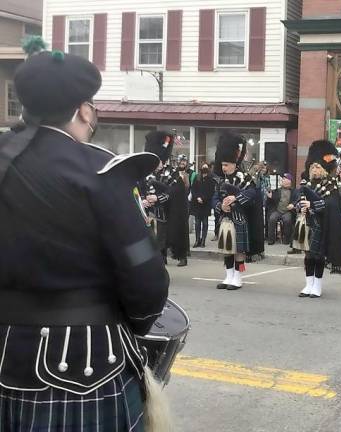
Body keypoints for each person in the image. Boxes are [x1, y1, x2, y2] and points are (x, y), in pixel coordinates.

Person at [0, 46, 168, 430]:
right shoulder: (100, 171)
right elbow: (147, 282)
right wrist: (138, 323)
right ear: (84, 111)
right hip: (82, 366)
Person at [296, 139, 341, 294]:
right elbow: (297, 200)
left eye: (317, 167)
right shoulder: (307, 185)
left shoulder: (331, 185)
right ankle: (308, 284)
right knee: (308, 256)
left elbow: (332, 204)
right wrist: (300, 207)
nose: (314, 170)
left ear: (324, 169)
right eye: (312, 167)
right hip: (307, 224)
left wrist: (313, 206)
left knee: (318, 257)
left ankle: (317, 286)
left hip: (322, 225)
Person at [212, 132, 259, 290]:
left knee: (239, 251)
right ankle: (228, 276)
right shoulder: (220, 181)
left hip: (239, 219)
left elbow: (252, 194)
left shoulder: (245, 179)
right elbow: (214, 198)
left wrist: (236, 199)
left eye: (226, 165)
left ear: (234, 164)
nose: (223, 167)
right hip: (225, 219)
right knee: (227, 250)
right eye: (222, 165)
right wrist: (220, 206)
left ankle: (237, 278)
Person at [143, 131, 189, 267]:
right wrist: (144, 200)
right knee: (155, 239)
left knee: (169, 237)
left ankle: (180, 255)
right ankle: (159, 260)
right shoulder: (144, 173)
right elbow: (138, 190)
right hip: (150, 213)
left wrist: (157, 198)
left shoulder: (173, 174)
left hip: (169, 212)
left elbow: (174, 192)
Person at [190, 163, 216, 248]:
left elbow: (211, 192)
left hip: (206, 204)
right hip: (197, 203)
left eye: (206, 167)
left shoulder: (211, 179)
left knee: (205, 222)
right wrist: (197, 197)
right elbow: (193, 189)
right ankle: (197, 240)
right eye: (203, 167)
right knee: (197, 223)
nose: (204, 168)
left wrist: (203, 199)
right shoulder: (197, 177)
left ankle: (203, 241)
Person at [266, 173, 295, 245]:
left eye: (284, 179)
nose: (282, 180)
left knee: (287, 220)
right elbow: (271, 202)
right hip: (277, 210)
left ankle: (286, 239)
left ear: (289, 181)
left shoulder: (294, 191)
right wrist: (270, 197)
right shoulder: (277, 190)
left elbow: (296, 200)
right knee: (272, 218)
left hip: (287, 211)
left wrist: (292, 205)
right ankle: (271, 239)